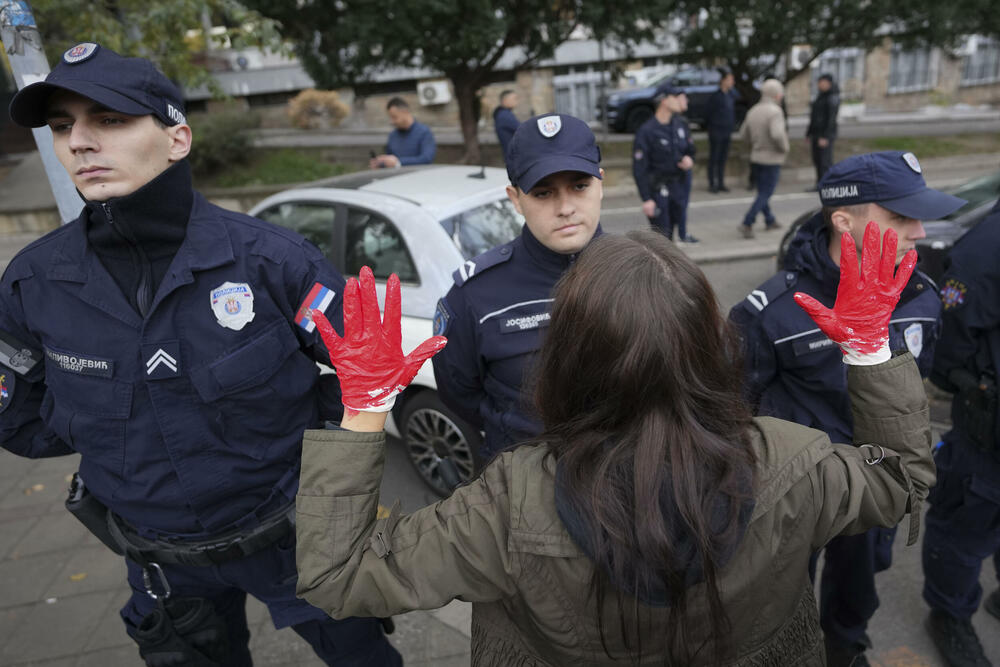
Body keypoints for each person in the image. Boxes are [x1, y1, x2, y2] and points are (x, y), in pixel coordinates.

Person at [294, 219, 935, 665]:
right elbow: (902, 480)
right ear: (714, 347)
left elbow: (338, 574)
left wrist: (367, 406)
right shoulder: (795, 460)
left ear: (566, 357)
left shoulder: (507, 504)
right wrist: (871, 350)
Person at [0, 43, 400, 666]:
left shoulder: (273, 261)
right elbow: (18, 418)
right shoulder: (33, 283)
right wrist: (113, 439)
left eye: (109, 119)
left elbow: (365, 375)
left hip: (296, 542)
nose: (78, 142)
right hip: (160, 563)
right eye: (61, 126)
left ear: (177, 139)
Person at [729, 150, 966, 666]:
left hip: (877, 482)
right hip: (797, 492)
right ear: (843, 219)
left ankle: (846, 645)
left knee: (857, 586)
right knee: (781, 592)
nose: (920, 232)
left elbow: (917, 386)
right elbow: (732, 412)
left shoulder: (919, 295)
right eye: (900, 217)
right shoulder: (773, 311)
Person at [431, 113, 603, 460]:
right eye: (543, 193)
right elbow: (460, 395)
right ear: (515, 199)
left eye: (579, 186)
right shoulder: (474, 294)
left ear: (602, 182)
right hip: (523, 487)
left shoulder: (648, 273)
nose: (566, 207)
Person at [922, 198, 1000, 667]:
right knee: (966, 524)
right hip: (988, 431)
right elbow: (950, 334)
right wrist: (973, 389)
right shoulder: (989, 243)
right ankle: (949, 614)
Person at [632, 82, 698, 243]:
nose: (680, 100)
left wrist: (689, 159)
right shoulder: (647, 131)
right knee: (662, 237)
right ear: (664, 101)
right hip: (658, 189)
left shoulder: (680, 124)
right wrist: (646, 198)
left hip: (678, 186)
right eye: (675, 97)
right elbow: (639, 167)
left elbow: (690, 149)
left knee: (673, 231)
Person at [738, 78, 789, 239]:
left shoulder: (754, 110)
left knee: (762, 191)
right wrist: (784, 147)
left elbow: (743, 134)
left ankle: (770, 219)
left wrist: (755, 143)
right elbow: (777, 134)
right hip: (771, 158)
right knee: (765, 193)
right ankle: (747, 222)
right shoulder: (775, 111)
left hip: (756, 156)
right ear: (776, 94)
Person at [369, 96, 436, 168]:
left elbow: (426, 159)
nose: (392, 121)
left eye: (394, 117)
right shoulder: (393, 136)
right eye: (390, 118)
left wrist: (398, 162)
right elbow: (390, 161)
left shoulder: (424, 132)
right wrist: (381, 163)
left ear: (405, 112)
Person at [806, 73, 840, 190]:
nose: (820, 85)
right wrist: (809, 133)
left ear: (829, 83)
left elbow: (831, 119)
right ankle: (820, 184)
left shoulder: (832, 97)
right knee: (817, 160)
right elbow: (814, 116)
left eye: (822, 82)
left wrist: (825, 137)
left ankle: (828, 185)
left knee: (825, 161)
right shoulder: (820, 96)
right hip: (816, 134)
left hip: (825, 135)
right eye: (819, 82)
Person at [705, 67, 737, 193]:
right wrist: (712, 128)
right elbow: (708, 114)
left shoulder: (730, 95)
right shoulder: (715, 97)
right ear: (723, 81)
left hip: (727, 131)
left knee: (723, 158)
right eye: (730, 80)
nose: (732, 82)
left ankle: (721, 182)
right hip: (716, 131)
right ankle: (713, 183)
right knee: (714, 158)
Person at [493, 89, 520, 160]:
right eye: (514, 98)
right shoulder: (505, 115)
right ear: (505, 100)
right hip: (513, 156)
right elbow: (522, 129)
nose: (517, 101)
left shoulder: (503, 113)